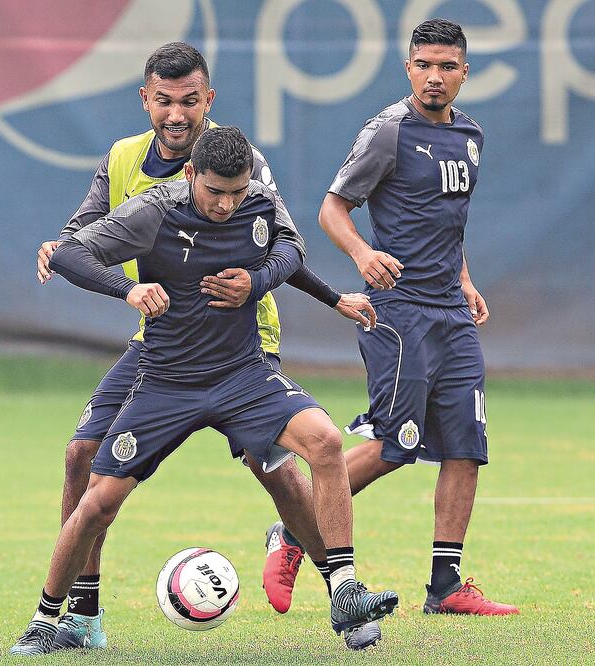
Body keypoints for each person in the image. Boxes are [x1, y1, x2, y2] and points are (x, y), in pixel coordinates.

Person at [36, 42, 383, 651]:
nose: (176, 114)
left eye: (189, 102)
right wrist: (69, 255)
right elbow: (80, 234)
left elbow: (283, 242)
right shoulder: (124, 162)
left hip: (243, 335)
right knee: (79, 456)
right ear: (145, 99)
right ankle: (77, 616)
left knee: (273, 462)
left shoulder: (238, 158)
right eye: (164, 101)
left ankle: (341, 591)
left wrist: (273, 286)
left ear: (208, 101)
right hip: (161, 342)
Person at [314, 18, 518, 616]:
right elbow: (332, 206)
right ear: (409, 68)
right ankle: (295, 526)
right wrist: (362, 252)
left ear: (464, 72)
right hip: (399, 310)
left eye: (447, 66)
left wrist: (465, 279)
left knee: (465, 445)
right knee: (395, 445)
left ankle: (446, 586)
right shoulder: (389, 132)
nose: (435, 76)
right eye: (424, 65)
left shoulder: (471, 135)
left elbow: (446, 224)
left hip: (451, 311)